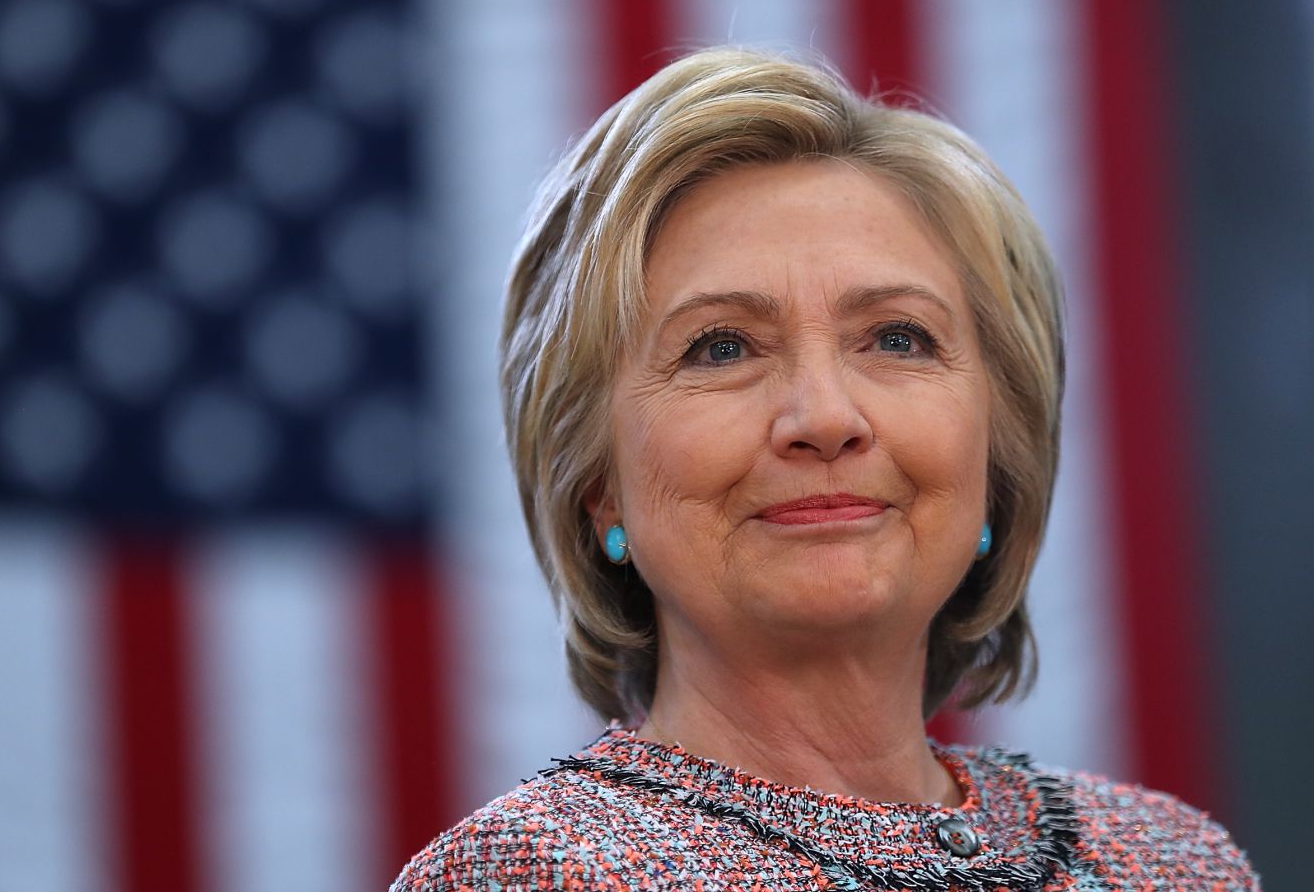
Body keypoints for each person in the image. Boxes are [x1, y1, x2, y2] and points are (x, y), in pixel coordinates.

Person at [392, 48, 1260, 890]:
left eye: (897, 338)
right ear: (595, 484)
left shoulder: (1175, 864)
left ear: (1000, 451)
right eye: (721, 347)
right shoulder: (533, 875)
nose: (826, 419)